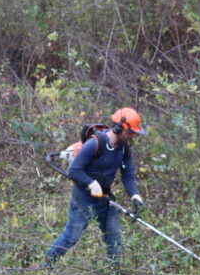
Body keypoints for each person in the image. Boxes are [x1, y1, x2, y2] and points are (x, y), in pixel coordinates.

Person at [44, 108, 146, 264]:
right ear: (119, 128)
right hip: (82, 199)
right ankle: (44, 265)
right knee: (70, 237)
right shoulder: (95, 143)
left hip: (104, 199)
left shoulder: (125, 149)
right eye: (131, 132)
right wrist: (91, 183)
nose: (133, 136)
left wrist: (135, 196)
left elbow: (128, 176)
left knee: (114, 241)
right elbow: (74, 170)